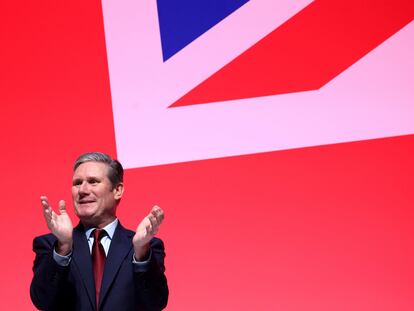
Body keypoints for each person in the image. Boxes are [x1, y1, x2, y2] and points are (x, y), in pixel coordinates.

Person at [30, 152, 168, 311]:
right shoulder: (51, 245)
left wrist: (141, 251)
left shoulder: (145, 247)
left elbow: (156, 303)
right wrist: (63, 247)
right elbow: (42, 301)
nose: (82, 190)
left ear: (117, 190)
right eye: (77, 183)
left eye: (93, 182)